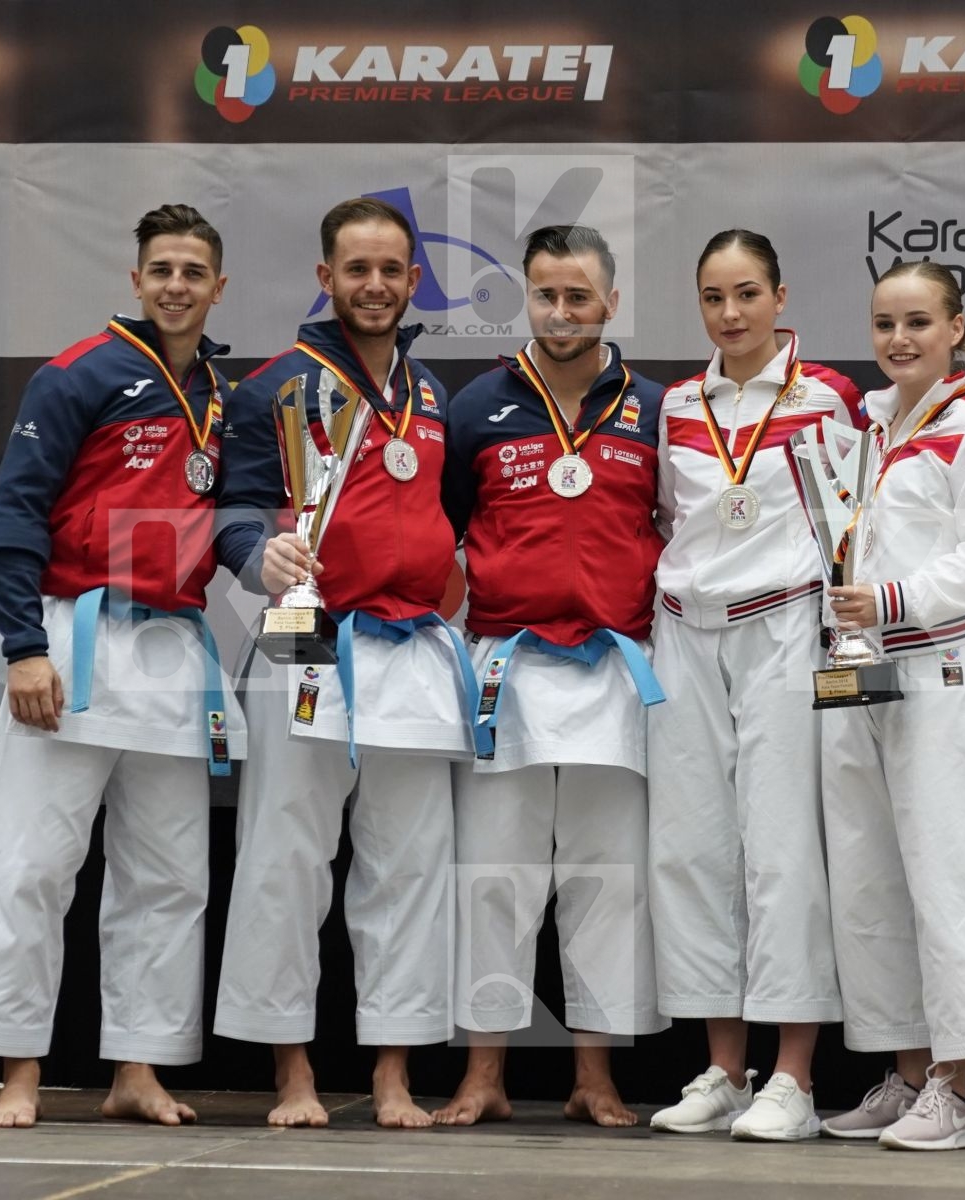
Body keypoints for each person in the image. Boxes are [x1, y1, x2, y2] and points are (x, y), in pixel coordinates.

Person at [0, 203, 239, 1129]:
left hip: (176, 649)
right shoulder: (79, 374)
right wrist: (24, 648)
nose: (177, 285)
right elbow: (15, 517)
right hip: (75, 639)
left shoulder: (228, 393)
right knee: (30, 866)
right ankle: (18, 1076)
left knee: (169, 876)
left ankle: (137, 1071)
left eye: (194, 271)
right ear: (136, 278)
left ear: (218, 286)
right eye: (162, 270)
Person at [212, 197, 474, 1130]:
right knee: (286, 857)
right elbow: (233, 512)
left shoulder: (434, 393)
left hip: (409, 646)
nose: (374, 286)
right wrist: (259, 556)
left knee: (410, 864)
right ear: (326, 279)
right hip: (306, 641)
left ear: (413, 282)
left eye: (391, 270)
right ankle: (292, 1075)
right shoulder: (274, 387)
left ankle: (395, 1075)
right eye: (356, 270)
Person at [431, 225, 668, 1128]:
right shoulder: (475, 408)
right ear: (525, 298)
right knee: (494, 873)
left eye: (578, 296)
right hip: (507, 667)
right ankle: (484, 1071)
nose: (560, 312)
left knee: (609, 877)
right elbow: (439, 532)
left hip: (616, 667)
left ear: (611, 302)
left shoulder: (656, 408)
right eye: (544, 295)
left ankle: (595, 1075)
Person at [646, 230, 863, 1142]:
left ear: (780, 296)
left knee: (782, 851)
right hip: (686, 636)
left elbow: (857, 525)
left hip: (784, 630)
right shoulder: (677, 404)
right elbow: (671, 519)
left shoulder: (830, 397)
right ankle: (724, 1069)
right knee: (692, 852)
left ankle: (794, 1078)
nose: (730, 314)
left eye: (746, 294)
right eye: (712, 297)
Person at [818, 261, 965, 1150]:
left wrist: (895, 599)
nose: (898, 339)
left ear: (956, 329)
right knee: (869, 883)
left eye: (916, 323)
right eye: (883, 323)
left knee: (950, 881)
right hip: (854, 674)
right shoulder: (860, 428)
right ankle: (907, 1078)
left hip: (936, 665)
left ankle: (957, 1088)